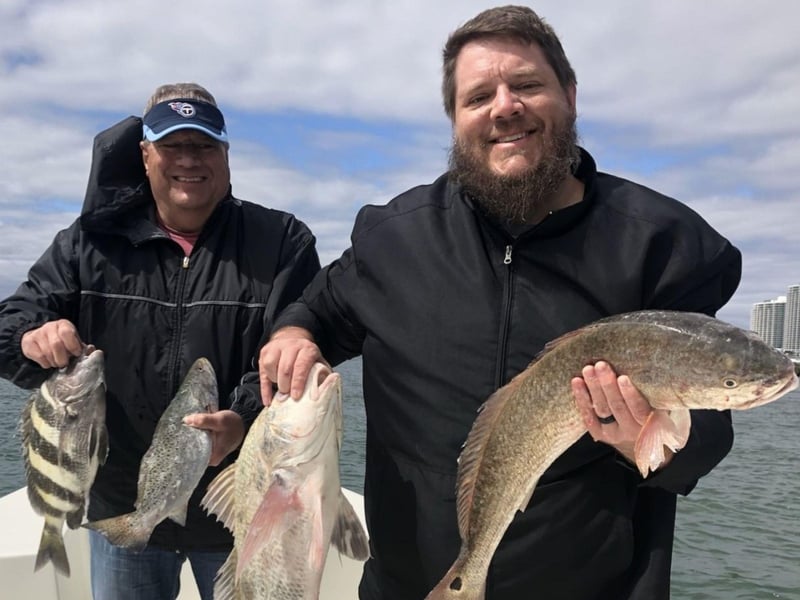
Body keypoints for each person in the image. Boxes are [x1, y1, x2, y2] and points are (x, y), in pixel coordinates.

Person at [257, 6, 741, 600]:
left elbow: (713, 429)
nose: (504, 106)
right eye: (478, 95)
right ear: (455, 119)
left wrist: (655, 442)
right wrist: (292, 335)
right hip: (408, 586)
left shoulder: (661, 245)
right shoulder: (391, 238)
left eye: (528, 85)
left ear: (569, 94)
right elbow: (314, 314)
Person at [0, 83, 321, 600]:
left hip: (238, 505)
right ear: (145, 155)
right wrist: (31, 336)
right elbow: (12, 321)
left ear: (226, 156)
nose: (188, 161)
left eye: (204, 146)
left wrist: (242, 418)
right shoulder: (87, 242)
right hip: (123, 510)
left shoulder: (283, 242)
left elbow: (302, 343)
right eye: (173, 146)